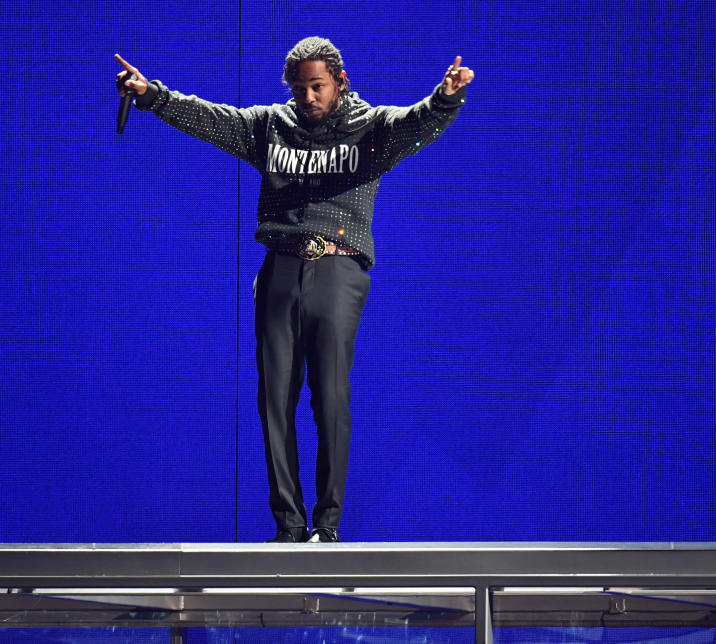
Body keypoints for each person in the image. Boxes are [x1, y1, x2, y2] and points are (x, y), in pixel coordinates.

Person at [114, 38, 474, 543]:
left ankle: (326, 527)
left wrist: (446, 98)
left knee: (329, 397)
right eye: (300, 88)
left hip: (338, 269)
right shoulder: (270, 128)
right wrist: (153, 96)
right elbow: (213, 120)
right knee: (273, 400)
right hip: (280, 269)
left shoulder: (368, 131)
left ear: (340, 83)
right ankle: (288, 526)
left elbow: (415, 125)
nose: (307, 97)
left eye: (317, 86)